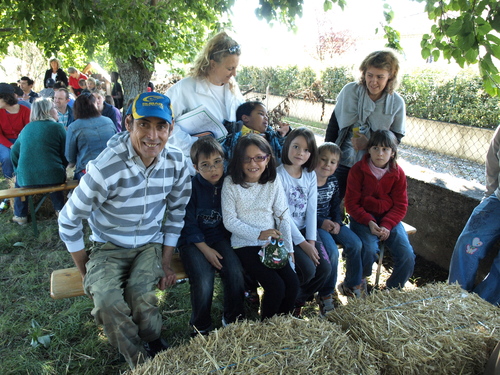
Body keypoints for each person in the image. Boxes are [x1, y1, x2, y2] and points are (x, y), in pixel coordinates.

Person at [58, 92, 192, 369]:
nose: (153, 135)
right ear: (128, 123)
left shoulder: (177, 162)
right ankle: (139, 361)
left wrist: (166, 262)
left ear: (171, 128)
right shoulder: (106, 167)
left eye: (161, 126)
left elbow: (177, 213)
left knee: (141, 295)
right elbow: (69, 219)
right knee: (107, 301)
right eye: (144, 124)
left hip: (149, 244)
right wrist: (86, 272)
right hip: (108, 246)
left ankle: (152, 338)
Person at [222, 134, 299, 320]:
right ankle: (267, 327)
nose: (252, 163)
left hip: (271, 243)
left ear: (268, 159)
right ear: (238, 160)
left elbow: (282, 216)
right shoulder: (231, 183)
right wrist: (259, 234)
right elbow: (229, 221)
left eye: (259, 157)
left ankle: (282, 322)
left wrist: (289, 249)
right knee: (275, 286)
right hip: (244, 244)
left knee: (293, 284)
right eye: (246, 158)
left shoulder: (273, 181)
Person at [179, 136, 244, 336]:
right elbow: (187, 224)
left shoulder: (229, 184)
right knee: (203, 277)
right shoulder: (190, 187)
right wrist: (206, 250)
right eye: (205, 165)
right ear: (195, 168)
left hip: (218, 237)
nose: (213, 169)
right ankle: (201, 326)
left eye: (217, 162)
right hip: (192, 241)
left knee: (235, 272)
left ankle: (232, 318)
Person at [324, 50, 405, 199]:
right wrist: (327, 155)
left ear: (390, 77)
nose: (373, 81)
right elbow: (334, 124)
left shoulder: (396, 103)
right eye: (370, 75)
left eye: (380, 77)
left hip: (372, 168)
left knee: (361, 205)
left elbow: (395, 138)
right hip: (340, 161)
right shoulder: (349, 91)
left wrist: (370, 144)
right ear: (364, 73)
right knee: (331, 200)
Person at [345, 130, 415, 291]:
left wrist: (387, 225)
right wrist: (369, 221)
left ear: (392, 153)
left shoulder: (398, 173)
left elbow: (400, 205)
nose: (380, 153)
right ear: (368, 149)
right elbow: (351, 204)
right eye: (375, 148)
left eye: (385, 149)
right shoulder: (357, 170)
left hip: (389, 220)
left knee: (407, 255)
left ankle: (393, 289)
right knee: (368, 250)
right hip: (363, 219)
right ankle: (358, 281)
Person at [277, 127, 331, 317]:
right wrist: (303, 244)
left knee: (324, 268)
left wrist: (312, 242)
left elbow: (311, 210)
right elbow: (282, 215)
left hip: (307, 231)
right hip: (285, 232)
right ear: (287, 146)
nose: (301, 153)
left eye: (307, 150)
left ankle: (297, 300)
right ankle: (284, 300)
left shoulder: (310, 175)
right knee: (307, 270)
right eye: (296, 147)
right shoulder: (279, 176)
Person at [167, 31, 244, 161]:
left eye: (236, 68)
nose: (234, 74)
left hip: (228, 166)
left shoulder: (232, 88)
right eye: (230, 68)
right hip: (196, 168)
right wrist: (197, 147)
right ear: (213, 64)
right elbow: (165, 127)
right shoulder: (184, 88)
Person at [448, 125, 500, 306]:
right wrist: (490, 194)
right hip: (498, 200)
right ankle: (454, 297)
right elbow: (492, 162)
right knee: (467, 244)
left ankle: (480, 308)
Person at [314, 142, 363, 313]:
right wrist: (322, 223)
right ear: (315, 159)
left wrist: (336, 222)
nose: (327, 165)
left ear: (337, 165)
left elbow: (336, 205)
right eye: (324, 160)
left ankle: (351, 284)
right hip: (315, 225)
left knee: (355, 243)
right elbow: (302, 211)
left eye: (333, 162)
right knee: (332, 253)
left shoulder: (334, 180)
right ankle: (325, 294)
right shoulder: (308, 180)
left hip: (332, 222)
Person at [10, 98, 67, 225]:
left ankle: (20, 215)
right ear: (47, 111)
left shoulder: (26, 129)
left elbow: (14, 152)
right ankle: (60, 209)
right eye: (54, 108)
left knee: (19, 183)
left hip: (27, 179)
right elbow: (65, 153)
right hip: (54, 176)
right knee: (54, 175)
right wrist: (63, 166)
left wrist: (17, 170)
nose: (56, 110)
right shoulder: (58, 127)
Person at [65, 92, 116, 180]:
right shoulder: (109, 121)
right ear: (94, 105)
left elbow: (70, 157)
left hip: (87, 173)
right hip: (111, 169)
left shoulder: (74, 127)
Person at [222, 101, 287, 164]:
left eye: (267, 115)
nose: (266, 118)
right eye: (261, 114)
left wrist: (282, 135)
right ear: (245, 118)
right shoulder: (234, 135)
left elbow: (282, 153)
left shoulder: (271, 135)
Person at [0, 83, 31, 179]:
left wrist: (19, 145)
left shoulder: (26, 111)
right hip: (4, 141)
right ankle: (9, 181)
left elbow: (29, 132)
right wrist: (11, 145)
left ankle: (24, 179)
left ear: (6, 98)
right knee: (7, 157)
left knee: (25, 156)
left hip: (22, 141)